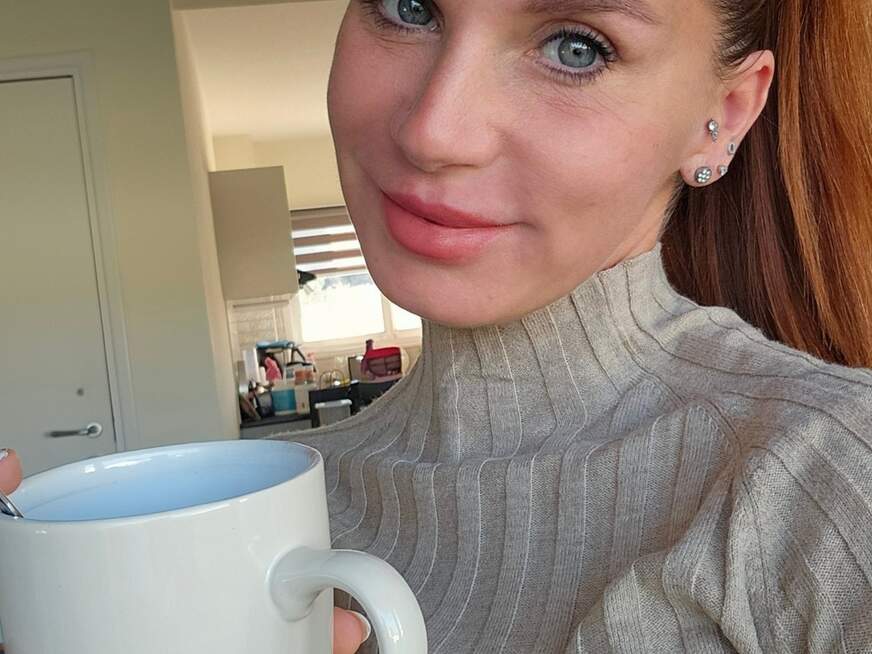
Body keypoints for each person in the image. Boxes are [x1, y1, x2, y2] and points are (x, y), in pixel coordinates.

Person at [4, 0, 872, 651]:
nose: (432, 131)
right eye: (408, 5)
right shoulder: (283, 499)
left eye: (577, 47)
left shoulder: (829, 475)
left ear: (726, 112)